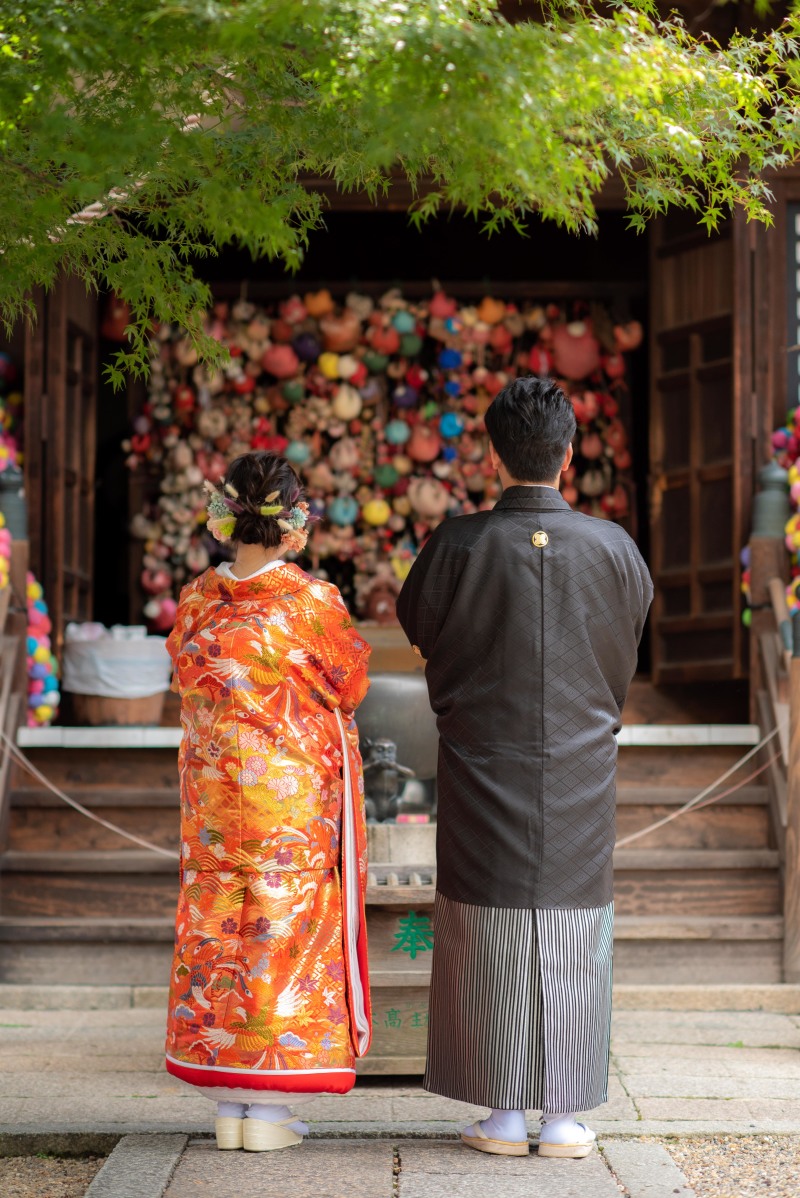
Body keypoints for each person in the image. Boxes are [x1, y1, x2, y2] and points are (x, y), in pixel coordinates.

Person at [396, 376, 652, 1160]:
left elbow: (419, 627)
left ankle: (502, 1114)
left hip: (483, 760)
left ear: (494, 454)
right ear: (568, 456)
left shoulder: (459, 544)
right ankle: (564, 1116)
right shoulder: (614, 548)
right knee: (574, 926)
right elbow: (630, 639)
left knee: (485, 922)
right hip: (577, 767)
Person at [165, 451, 372, 1153]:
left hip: (215, 805)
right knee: (281, 938)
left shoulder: (195, 601)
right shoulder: (312, 605)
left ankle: (230, 1103)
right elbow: (350, 684)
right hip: (287, 810)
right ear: (293, 524)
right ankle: (269, 1110)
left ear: (225, 518)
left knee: (221, 931)